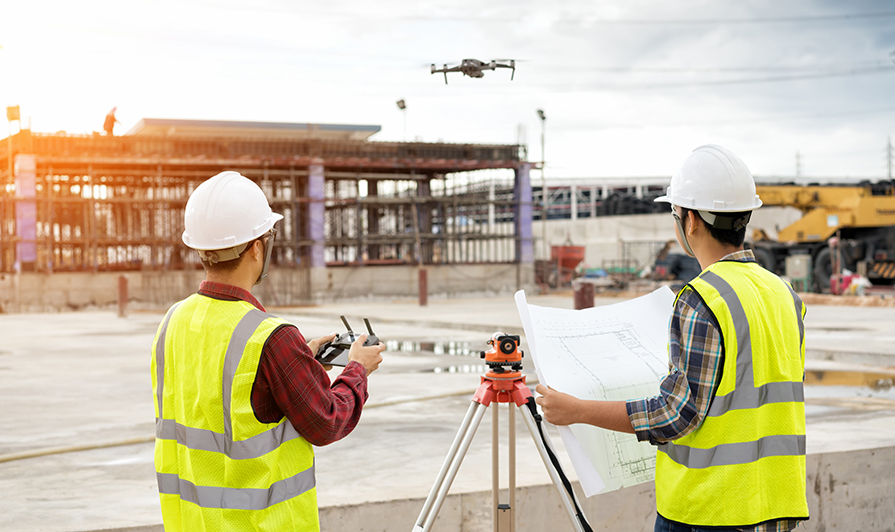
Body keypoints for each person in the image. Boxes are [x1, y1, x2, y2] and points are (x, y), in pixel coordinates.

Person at [536, 145, 808, 532]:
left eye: (675, 213)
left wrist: (577, 410)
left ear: (691, 221)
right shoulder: (784, 294)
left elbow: (674, 414)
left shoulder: (702, 299)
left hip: (711, 510)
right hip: (775, 505)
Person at [150, 171, 385, 531]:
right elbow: (326, 421)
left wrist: (298, 357)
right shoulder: (271, 338)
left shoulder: (173, 321)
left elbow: (222, 398)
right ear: (258, 246)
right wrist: (357, 369)